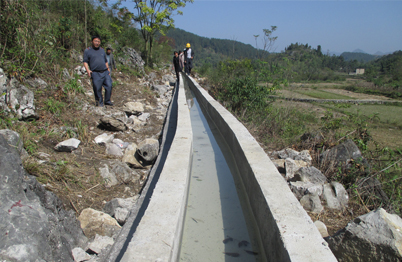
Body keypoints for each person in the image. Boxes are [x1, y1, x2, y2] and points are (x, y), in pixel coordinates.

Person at [83, 36, 113, 107]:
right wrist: (88, 70)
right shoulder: (87, 50)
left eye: (98, 41)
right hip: (95, 73)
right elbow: (85, 61)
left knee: (109, 86)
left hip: (105, 72)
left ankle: (107, 101)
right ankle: (99, 103)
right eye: (95, 41)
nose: (97, 43)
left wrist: (108, 69)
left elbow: (105, 60)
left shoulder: (102, 50)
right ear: (92, 42)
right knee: (97, 88)